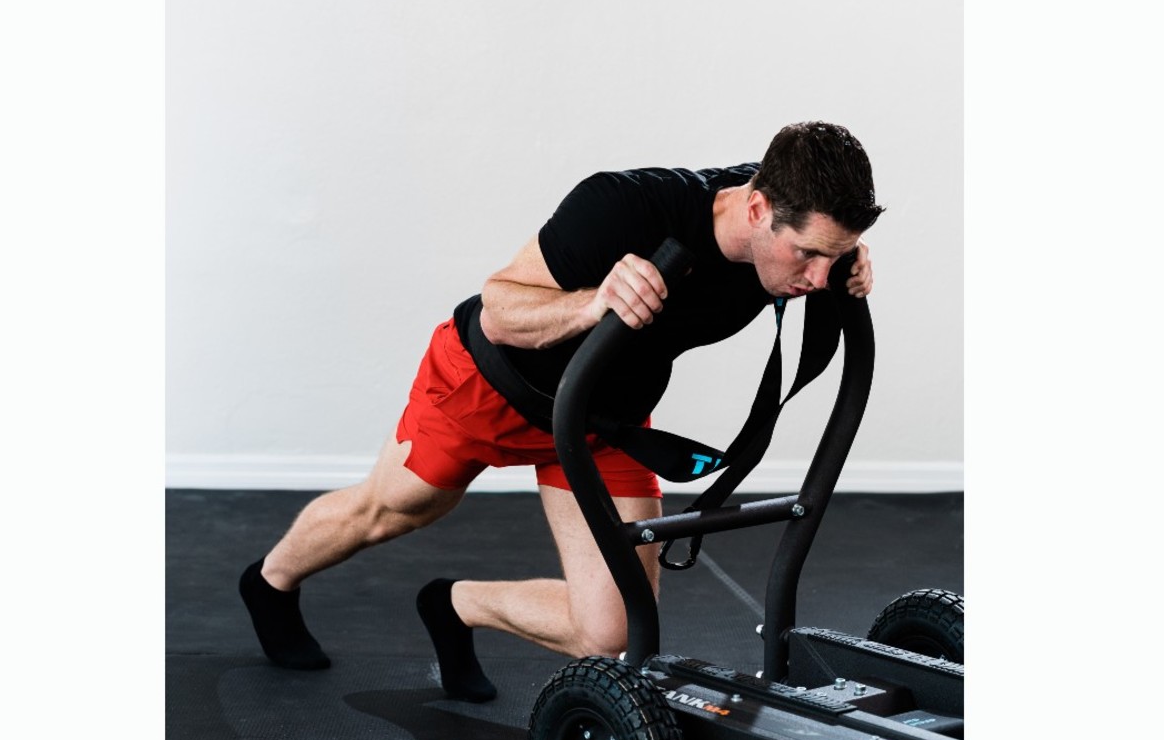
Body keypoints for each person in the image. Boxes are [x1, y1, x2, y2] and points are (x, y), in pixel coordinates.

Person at [238, 119, 882, 702]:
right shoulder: (623, 207)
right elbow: (498, 306)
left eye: (837, 254)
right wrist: (590, 305)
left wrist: (848, 262)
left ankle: (452, 606)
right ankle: (271, 581)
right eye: (808, 255)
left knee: (612, 632)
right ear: (758, 208)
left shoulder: (795, 223)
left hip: (601, 424)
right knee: (388, 511)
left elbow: (820, 246)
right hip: (490, 385)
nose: (818, 277)